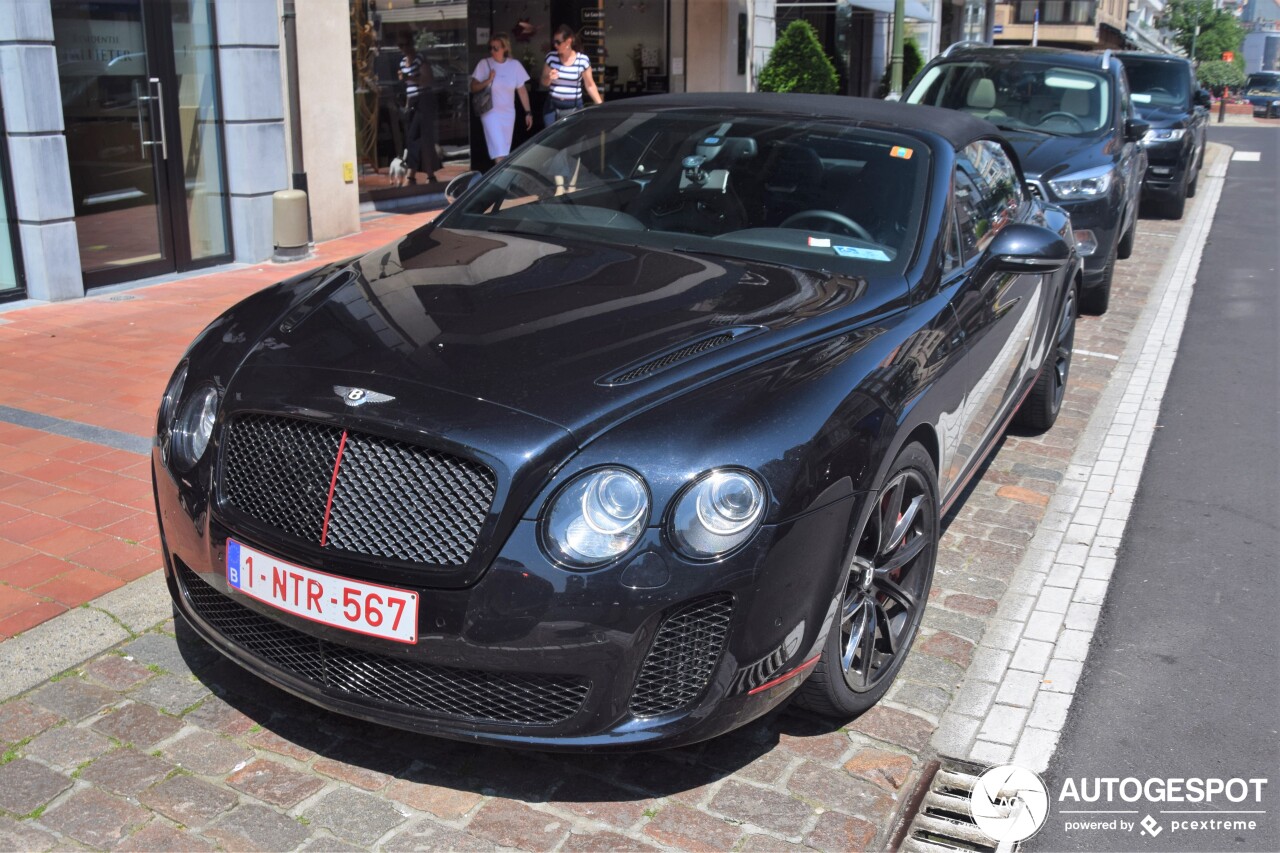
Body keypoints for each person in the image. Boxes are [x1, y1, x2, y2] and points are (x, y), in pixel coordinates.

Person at [471, 35, 532, 163]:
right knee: (499, 150)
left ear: (504, 48)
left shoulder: (514, 65)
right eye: (490, 48)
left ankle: (498, 178)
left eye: (496, 48)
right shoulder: (485, 64)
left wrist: (528, 112)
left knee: (504, 151)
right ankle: (502, 180)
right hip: (490, 112)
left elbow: (521, 90)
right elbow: (473, 87)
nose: (492, 51)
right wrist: (488, 80)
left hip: (508, 113)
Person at [397, 31, 441, 183]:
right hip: (413, 101)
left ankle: (411, 175)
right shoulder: (402, 62)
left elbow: (427, 79)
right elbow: (409, 88)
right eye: (400, 45)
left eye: (405, 44)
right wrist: (406, 106)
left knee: (417, 137)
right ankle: (429, 175)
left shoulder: (420, 58)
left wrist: (408, 77)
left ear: (411, 44)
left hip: (424, 100)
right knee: (417, 138)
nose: (403, 48)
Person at [540, 25, 602, 126]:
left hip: (573, 108)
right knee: (552, 139)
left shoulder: (582, 60)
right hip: (552, 108)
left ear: (568, 42)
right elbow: (543, 82)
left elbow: (590, 85)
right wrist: (549, 78)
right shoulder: (551, 57)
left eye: (558, 42)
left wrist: (600, 105)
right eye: (554, 42)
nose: (555, 45)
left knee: (570, 140)